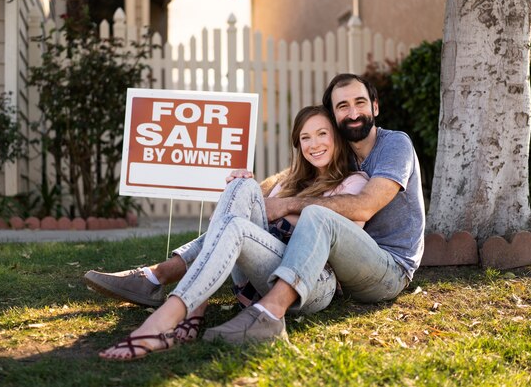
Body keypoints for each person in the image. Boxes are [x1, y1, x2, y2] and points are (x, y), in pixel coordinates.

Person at [88, 73, 425, 353]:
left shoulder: (393, 145)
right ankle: (157, 280)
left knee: (316, 216)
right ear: (335, 118)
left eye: (360, 102)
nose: (352, 112)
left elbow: (363, 206)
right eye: (342, 106)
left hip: (388, 267)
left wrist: (288, 205)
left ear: (375, 107)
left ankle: (265, 313)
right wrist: (249, 186)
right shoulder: (341, 155)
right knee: (242, 192)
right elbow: (283, 185)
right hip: (338, 267)